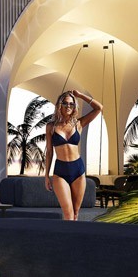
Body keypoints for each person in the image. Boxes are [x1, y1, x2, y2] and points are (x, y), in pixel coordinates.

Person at [45, 89, 102, 220]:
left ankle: (74, 239)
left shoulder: (79, 124)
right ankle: (66, 239)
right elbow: (49, 152)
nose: (68, 106)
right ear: (60, 105)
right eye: (65, 103)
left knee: (75, 213)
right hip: (60, 172)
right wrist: (46, 176)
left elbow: (99, 108)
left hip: (78, 170)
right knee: (68, 213)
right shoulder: (51, 126)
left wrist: (80, 95)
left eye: (71, 104)